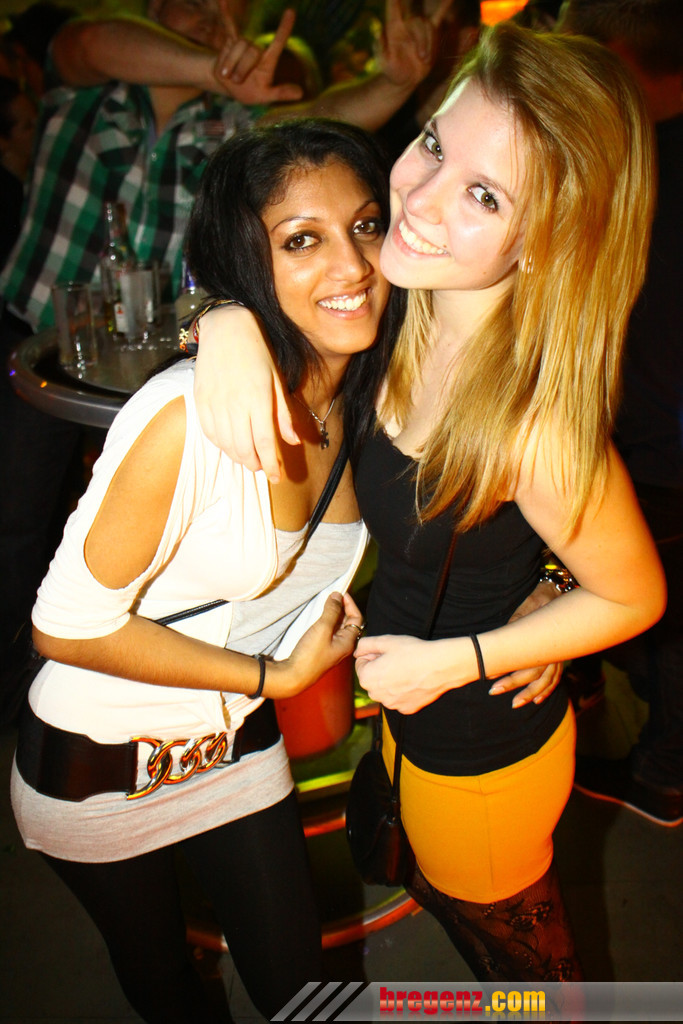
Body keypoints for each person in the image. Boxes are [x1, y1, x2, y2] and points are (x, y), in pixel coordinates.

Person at [187, 23, 665, 981]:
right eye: (436, 145)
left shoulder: (533, 421)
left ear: (549, 240)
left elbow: (635, 594)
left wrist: (461, 658)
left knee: (528, 980)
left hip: (482, 751)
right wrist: (225, 316)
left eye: (486, 195)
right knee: (452, 911)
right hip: (406, 721)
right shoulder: (395, 302)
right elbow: (256, 238)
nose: (420, 199)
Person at [9, 118, 411, 1022]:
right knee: (166, 984)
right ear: (244, 260)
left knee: (302, 987)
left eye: (365, 225)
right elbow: (64, 629)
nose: (351, 264)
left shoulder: (370, 390)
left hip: (234, 740)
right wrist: (277, 677)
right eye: (300, 239)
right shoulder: (185, 417)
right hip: (99, 761)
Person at [0, 0, 448, 726]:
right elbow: (85, 42)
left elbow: (316, 163)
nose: (212, 11)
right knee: (18, 527)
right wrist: (219, 315)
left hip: (235, 729)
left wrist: (395, 83)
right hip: (36, 338)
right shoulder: (87, 86)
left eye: (367, 227)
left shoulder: (231, 126)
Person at [556, 0, 683, 827]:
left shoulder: (632, 169)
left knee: (664, 609)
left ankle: (663, 775)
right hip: (651, 438)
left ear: (615, 61)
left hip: (651, 447)